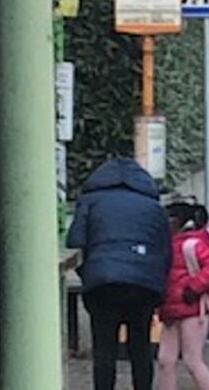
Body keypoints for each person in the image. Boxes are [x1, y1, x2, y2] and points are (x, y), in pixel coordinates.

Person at [66, 158, 171, 390]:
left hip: (102, 283)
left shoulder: (91, 201)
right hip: (144, 285)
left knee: (104, 349)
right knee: (140, 347)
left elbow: (74, 239)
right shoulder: (153, 206)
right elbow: (165, 250)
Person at [158, 201, 209, 390]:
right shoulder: (187, 243)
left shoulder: (189, 244)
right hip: (177, 308)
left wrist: (193, 288)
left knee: (190, 360)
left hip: (191, 309)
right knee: (167, 359)